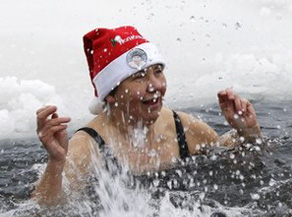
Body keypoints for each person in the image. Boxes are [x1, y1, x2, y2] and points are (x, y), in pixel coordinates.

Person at [32, 25, 262, 206]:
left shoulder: (182, 127)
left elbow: (241, 166)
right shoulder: (89, 145)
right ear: (111, 94)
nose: (155, 86)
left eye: (158, 72)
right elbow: (44, 214)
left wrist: (247, 132)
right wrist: (56, 162)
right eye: (139, 77)